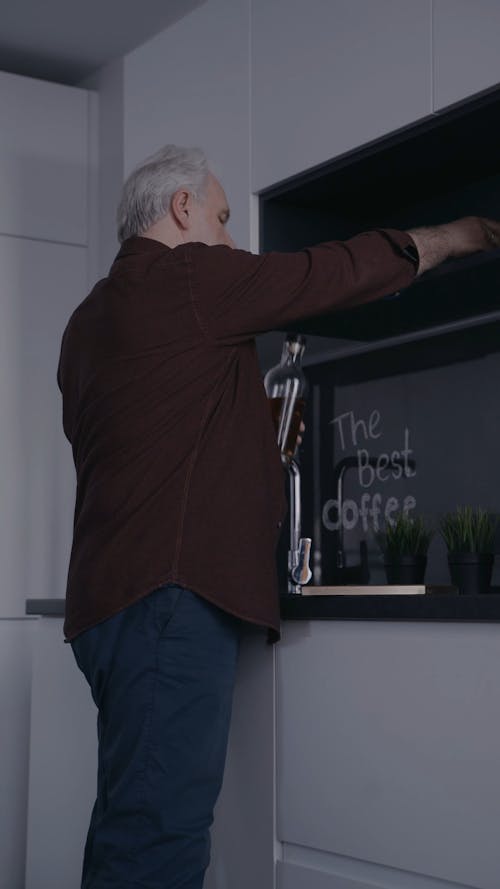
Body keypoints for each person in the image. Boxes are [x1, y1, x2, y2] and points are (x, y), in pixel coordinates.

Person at [57, 144, 500, 889]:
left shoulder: (87, 323)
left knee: (127, 827)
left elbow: (140, 451)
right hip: (170, 601)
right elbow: (330, 272)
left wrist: (248, 440)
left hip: (106, 607)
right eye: (225, 219)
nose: (232, 241)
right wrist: (462, 235)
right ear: (182, 209)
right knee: (158, 844)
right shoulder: (192, 275)